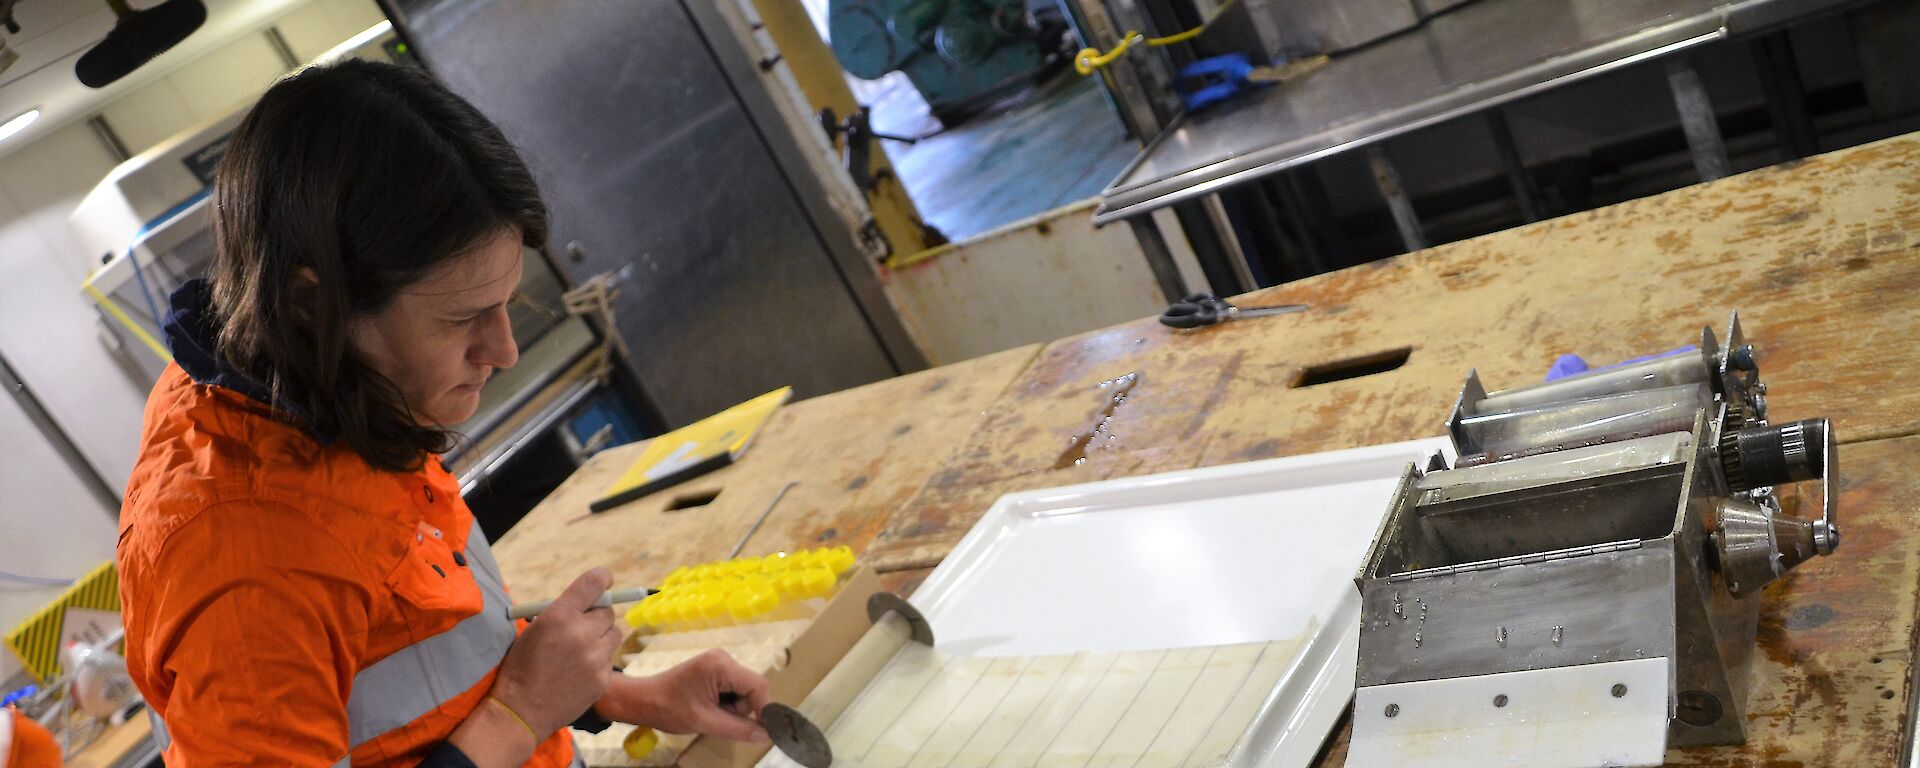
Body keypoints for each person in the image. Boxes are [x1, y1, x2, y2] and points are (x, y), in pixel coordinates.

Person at [116, 59, 770, 767]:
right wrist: (519, 714)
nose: (505, 350)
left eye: (507, 305)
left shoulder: (325, 391)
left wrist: (623, 695)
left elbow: (420, 653)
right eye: (463, 320)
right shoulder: (244, 568)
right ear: (313, 306)